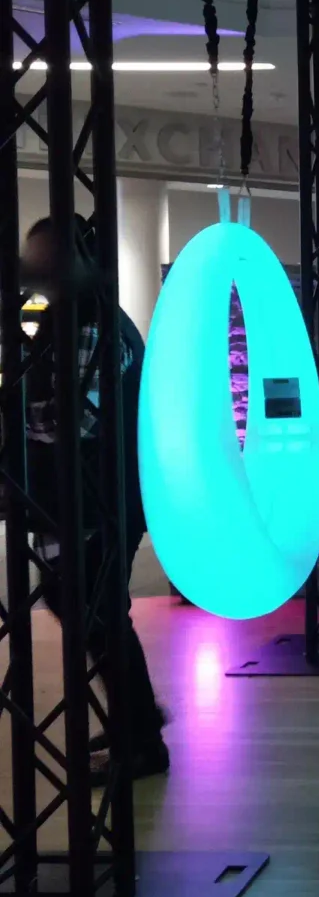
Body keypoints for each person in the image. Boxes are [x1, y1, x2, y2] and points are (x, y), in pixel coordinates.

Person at [20, 216, 169, 783]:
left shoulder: (89, 324)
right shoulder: (83, 319)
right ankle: (138, 723)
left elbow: (78, 418)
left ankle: (141, 740)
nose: (34, 267)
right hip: (88, 499)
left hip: (95, 501)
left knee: (96, 616)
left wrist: (16, 421)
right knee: (93, 613)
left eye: (43, 256)